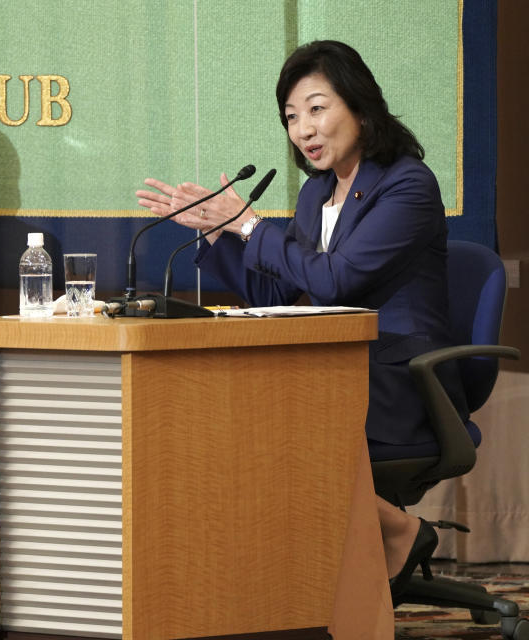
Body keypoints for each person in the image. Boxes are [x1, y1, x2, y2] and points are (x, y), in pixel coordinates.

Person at [136, 40, 468, 596]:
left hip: (401, 376)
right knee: (224, 402)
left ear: (360, 108)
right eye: (292, 117)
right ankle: (294, 573)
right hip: (333, 366)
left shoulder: (407, 185)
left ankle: (383, 539)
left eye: (317, 109)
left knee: (265, 411)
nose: (303, 130)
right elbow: (285, 289)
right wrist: (219, 233)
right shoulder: (317, 195)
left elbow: (338, 281)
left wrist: (248, 225)